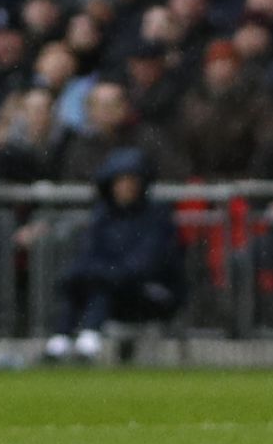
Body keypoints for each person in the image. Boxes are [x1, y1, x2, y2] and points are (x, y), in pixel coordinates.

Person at [41, 148, 183, 362]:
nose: (126, 187)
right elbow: (88, 254)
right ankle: (59, 342)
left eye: (131, 181)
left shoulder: (156, 218)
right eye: (120, 181)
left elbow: (145, 266)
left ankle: (87, 344)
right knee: (79, 287)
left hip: (151, 292)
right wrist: (78, 276)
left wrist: (106, 274)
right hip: (110, 286)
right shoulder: (103, 216)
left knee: (102, 288)